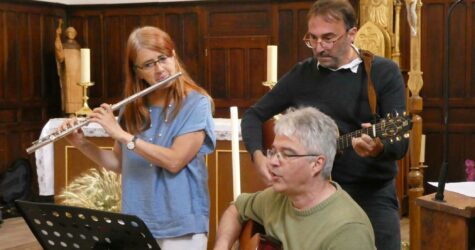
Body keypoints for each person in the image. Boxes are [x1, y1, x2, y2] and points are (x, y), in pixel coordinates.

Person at [240, 1, 408, 249]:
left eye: (328, 38)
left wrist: (379, 148)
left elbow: (400, 143)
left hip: (370, 194)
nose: (319, 47)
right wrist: (258, 157)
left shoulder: (383, 73)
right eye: (313, 39)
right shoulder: (302, 74)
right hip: (312, 196)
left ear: (352, 34)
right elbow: (253, 116)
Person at [60, 26, 216, 250]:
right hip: (138, 221)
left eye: (163, 58)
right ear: (137, 72)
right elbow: (119, 164)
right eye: (149, 64)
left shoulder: (196, 103)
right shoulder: (132, 108)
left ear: (173, 56)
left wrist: (123, 135)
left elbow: (175, 161)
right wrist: (82, 144)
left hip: (182, 223)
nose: (160, 69)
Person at [214, 107, 375, 249]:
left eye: (286, 154)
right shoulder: (276, 198)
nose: (273, 162)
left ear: (316, 164)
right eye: (273, 152)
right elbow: (236, 209)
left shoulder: (348, 230)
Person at [55, 18, 83, 115]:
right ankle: (71, 112)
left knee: (79, 91)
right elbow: (60, 54)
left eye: (73, 32)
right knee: (69, 92)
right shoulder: (64, 45)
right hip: (68, 72)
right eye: (69, 32)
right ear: (66, 34)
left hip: (78, 72)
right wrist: (57, 36)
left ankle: (79, 110)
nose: (71, 33)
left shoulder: (78, 46)